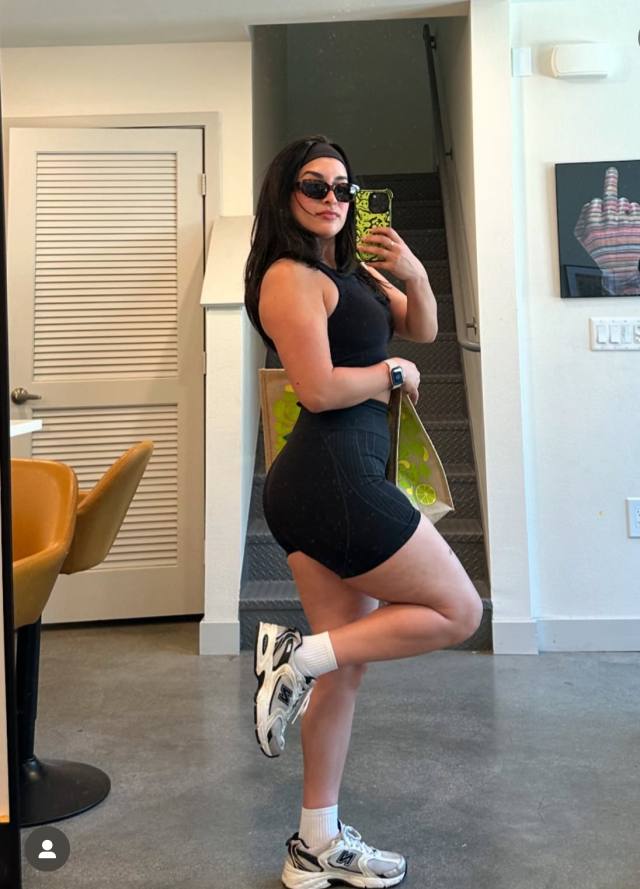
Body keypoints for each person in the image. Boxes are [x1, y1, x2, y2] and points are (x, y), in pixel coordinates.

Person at [244, 135, 483, 889]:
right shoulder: (288, 276)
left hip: (337, 476)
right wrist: (390, 374)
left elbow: (425, 328)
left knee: (344, 666)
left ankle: (315, 843)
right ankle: (295, 657)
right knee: (459, 610)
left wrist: (415, 273)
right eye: (314, 186)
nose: (332, 199)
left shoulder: (348, 273)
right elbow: (317, 389)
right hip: (332, 477)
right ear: (285, 194)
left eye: (343, 188)